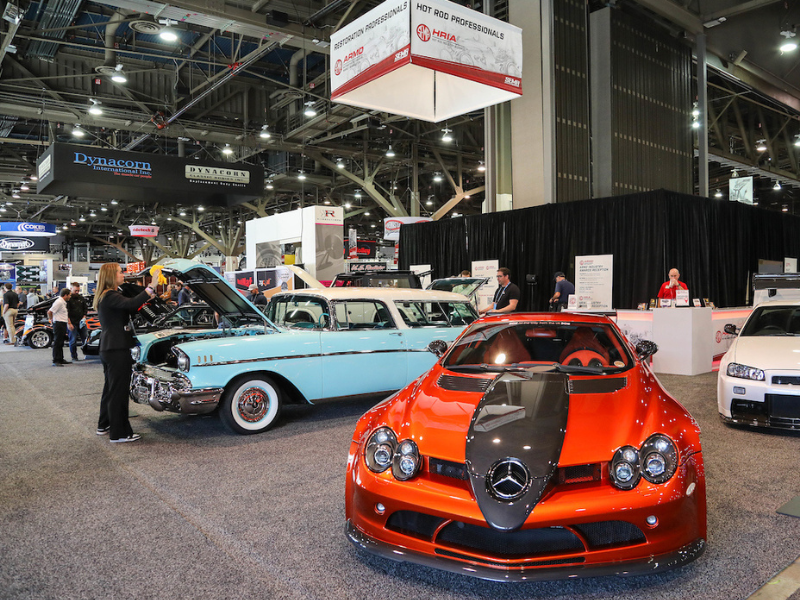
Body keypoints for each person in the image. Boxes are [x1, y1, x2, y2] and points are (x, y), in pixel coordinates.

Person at [93, 263, 155, 443]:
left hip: (110, 348)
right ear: (112, 275)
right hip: (117, 348)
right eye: (120, 272)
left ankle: (104, 424)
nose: (123, 274)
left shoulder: (106, 296)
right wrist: (151, 286)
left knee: (111, 389)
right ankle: (119, 433)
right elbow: (132, 303)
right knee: (118, 391)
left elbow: (130, 307)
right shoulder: (110, 295)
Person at [47, 288, 72, 365]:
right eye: (69, 295)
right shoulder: (59, 302)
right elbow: (50, 311)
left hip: (62, 323)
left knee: (61, 342)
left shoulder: (63, 302)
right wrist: (51, 319)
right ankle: (56, 360)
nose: (70, 296)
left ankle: (60, 359)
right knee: (57, 342)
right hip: (58, 324)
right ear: (65, 295)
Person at [67, 282, 89, 361]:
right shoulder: (68, 300)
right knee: (73, 341)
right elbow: (66, 312)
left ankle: (88, 355)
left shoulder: (81, 298)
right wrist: (69, 323)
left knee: (86, 339)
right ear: (71, 289)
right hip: (72, 323)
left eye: (78, 290)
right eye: (75, 290)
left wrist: (84, 316)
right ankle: (74, 356)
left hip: (81, 323)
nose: (77, 292)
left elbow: (85, 308)